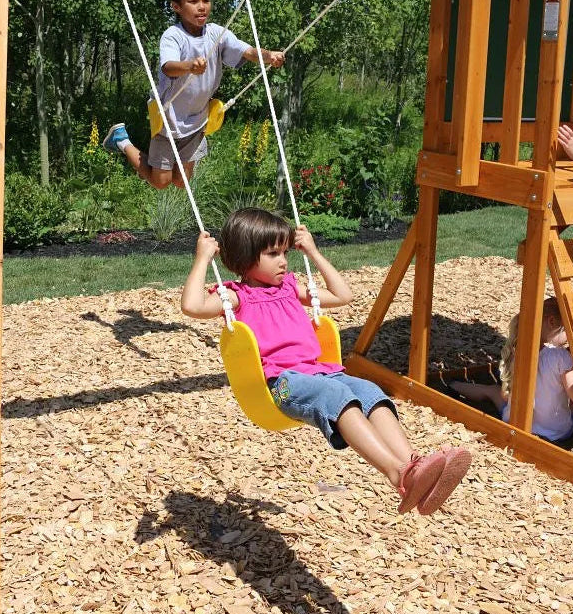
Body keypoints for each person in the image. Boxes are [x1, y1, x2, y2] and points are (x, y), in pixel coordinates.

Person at [181, 207, 472, 515]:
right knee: (337, 396)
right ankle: (396, 474)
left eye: (285, 251)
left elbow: (343, 294)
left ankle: (414, 469)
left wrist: (314, 253)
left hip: (321, 372)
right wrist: (202, 258)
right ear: (245, 255)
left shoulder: (291, 287)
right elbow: (192, 306)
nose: (282, 260)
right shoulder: (236, 296)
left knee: (369, 390)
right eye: (272, 253)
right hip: (282, 383)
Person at [103, 0, 285, 190]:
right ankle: (122, 140)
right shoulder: (173, 35)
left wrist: (268, 56)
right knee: (161, 182)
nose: (202, 7)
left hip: (197, 119)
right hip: (168, 118)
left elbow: (247, 51)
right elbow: (168, 66)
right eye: (193, 1)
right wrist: (189, 66)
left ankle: (144, 148)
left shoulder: (217, 33)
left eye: (206, 0)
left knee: (182, 182)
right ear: (176, 7)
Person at [450, 297, 573, 443]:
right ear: (552, 322)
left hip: (515, 421)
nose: (569, 338)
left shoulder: (518, 348)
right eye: (567, 331)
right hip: (554, 432)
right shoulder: (561, 356)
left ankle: (452, 386)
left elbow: (506, 395)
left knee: (494, 391)